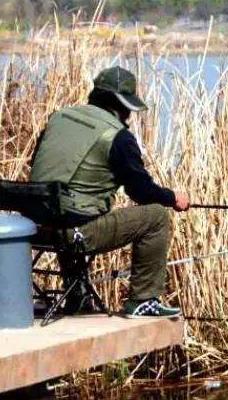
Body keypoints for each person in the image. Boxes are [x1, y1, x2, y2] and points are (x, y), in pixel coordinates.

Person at [30, 66, 189, 318]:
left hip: (34, 228)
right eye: (128, 109)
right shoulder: (118, 137)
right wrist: (173, 198)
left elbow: (38, 165)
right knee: (156, 216)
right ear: (120, 105)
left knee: (68, 208)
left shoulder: (58, 118)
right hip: (73, 234)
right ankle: (143, 300)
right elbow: (141, 192)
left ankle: (77, 297)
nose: (129, 116)